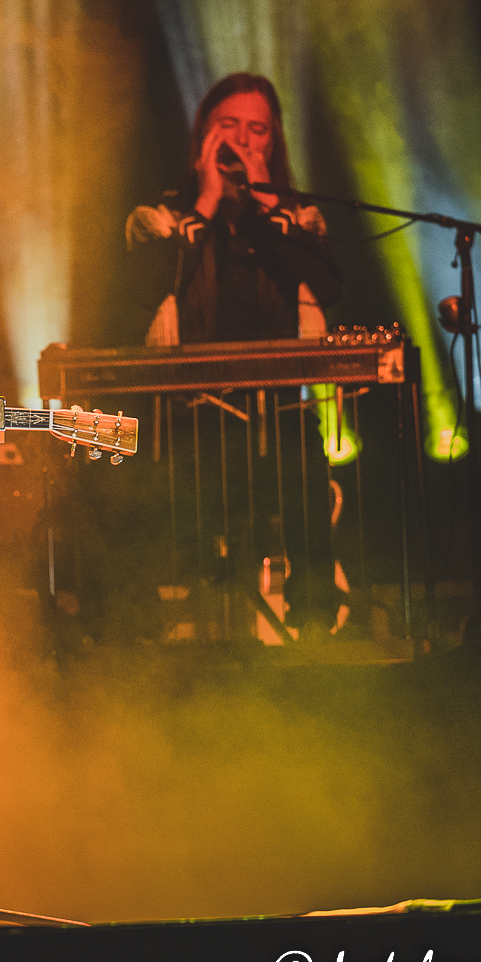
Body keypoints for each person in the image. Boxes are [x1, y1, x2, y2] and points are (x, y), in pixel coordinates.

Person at [125, 73, 345, 637]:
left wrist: (269, 199)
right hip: (194, 416)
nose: (243, 142)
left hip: (282, 413)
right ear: (204, 137)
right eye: (229, 127)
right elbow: (142, 291)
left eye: (257, 131)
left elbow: (327, 289)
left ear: (273, 143)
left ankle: (316, 629)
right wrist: (204, 200)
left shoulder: (294, 218)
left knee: (305, 469)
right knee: (187, 492)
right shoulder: (163, 215)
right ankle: (203, 632)